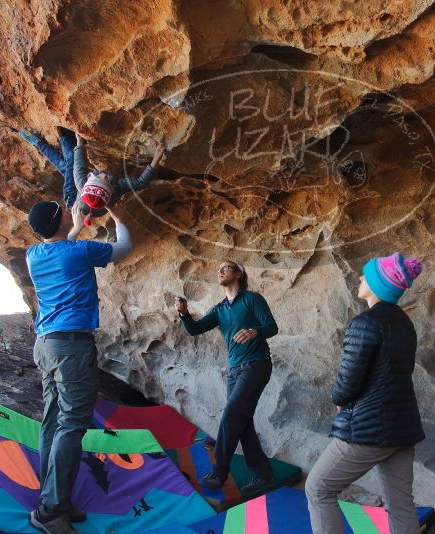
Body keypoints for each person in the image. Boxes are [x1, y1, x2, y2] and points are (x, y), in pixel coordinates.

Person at [25, 200, 133, 534]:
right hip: (71, 348)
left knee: (52, 421)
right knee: (71, 425)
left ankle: (54, 496)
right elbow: (125, 247)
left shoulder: (33, 255)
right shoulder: (80, 252)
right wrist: (118, 216)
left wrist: (73, 227)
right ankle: (51, 509)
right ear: (60, 223)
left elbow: (63, 246)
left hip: (45, 345)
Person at [305, 253, 425, 534]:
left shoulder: (365, 323)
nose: (359, 279)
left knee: (318, 488)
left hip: (369, 428)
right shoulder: (405, 325)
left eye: (365, 276)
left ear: (378, 285)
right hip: (403, 428)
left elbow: (349, 379)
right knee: (401, 505)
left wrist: (338, 400)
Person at [173, 261, 278, 493]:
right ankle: (263, 474)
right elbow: (195, 329)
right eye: (218, 269)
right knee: (242, 421)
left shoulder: (252, 299)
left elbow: (272, 327)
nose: (220, 271)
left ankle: (219, 472)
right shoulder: (219, 309)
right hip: (234, 370)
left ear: (239, 273)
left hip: (256, 365)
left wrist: (254, 332)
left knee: (232, 413)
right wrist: (184, 314)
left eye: (226, 267)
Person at [20, 127, 165, 225]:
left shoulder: (81, 181)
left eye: (100, 178)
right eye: (104, 179)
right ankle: (57, 139)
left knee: (69, 164)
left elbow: (79, 161)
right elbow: (141, 182)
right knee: (66, 166)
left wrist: (79, 142)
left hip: (72, 199)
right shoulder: (116, 188)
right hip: (87, 203)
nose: (102, 175)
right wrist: (155, 160)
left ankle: (56, 139)